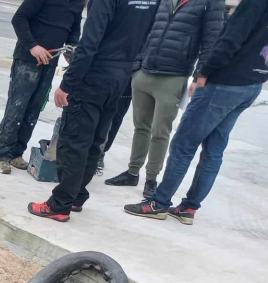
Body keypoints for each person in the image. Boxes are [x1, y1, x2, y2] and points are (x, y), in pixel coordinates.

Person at [125, 0, 268, 224]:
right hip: (251, 84)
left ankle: (159, 203)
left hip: (224, 82)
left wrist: (203, 73)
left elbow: (229, 40)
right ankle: (189, 208)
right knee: (214, 148)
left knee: (183, 145)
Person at [28, 0, 159, 222]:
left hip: (94, 77)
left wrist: (67, 84)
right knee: (94, 141)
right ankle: (77, 195)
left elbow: (89, 44)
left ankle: (60, 204)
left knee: (74, 143)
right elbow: (147, 37)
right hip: (120, 77)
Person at [104, 0, 225, 197]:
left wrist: (199, 76)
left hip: (173, 76)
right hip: (144, 73)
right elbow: (146, 28)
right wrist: (137, 65)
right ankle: (132, 172)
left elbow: (211, 41)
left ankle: (151, 179)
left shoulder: (210, 3)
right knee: (140, 127)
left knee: (160, 132)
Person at [0, 0, 86, 174]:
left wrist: (71, 47)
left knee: (33, 110)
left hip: (49, 62)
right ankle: (2, 156)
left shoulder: (77, 2)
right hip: (27, 59)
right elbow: (19, 18)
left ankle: (16, 154)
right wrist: (32, 46)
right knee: (17, 108)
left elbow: (74, 28)